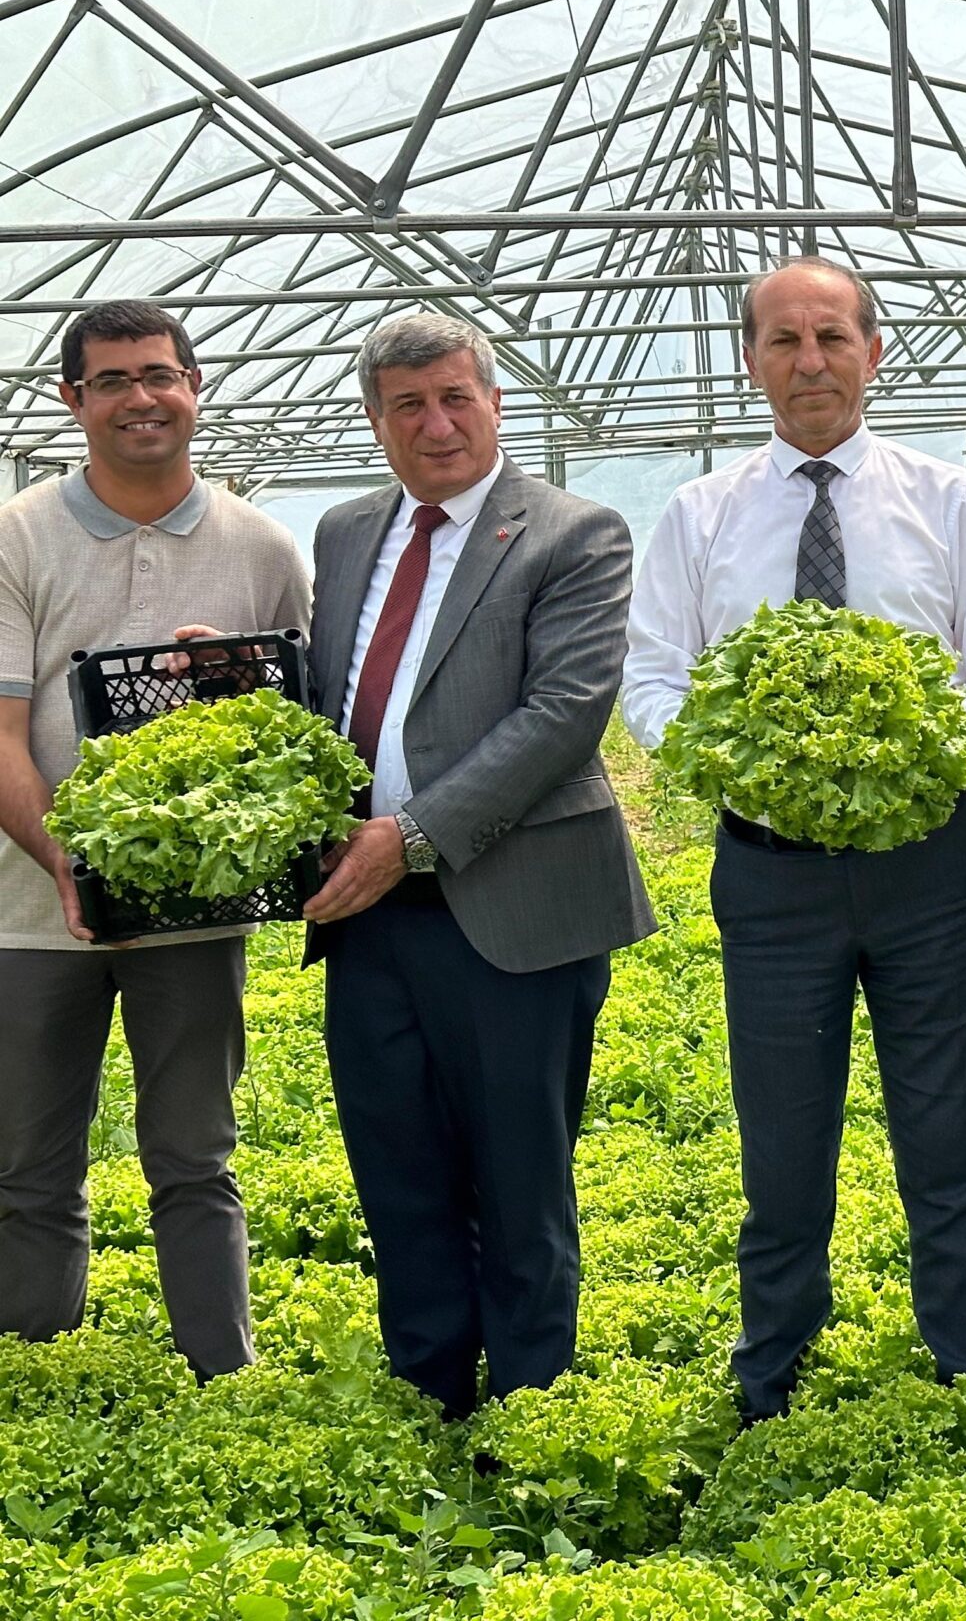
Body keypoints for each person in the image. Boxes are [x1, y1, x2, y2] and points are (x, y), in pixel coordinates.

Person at [625, 256, 966, 1417]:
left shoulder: (948, 497)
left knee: (947, 1131)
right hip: (771, 876)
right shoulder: (702, 512)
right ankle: (772, 1371)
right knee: (783, 1140)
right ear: (752, 361)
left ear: (872, 350)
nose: (810, 362)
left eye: (832, 338)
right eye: (784, 342)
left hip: (927, 861)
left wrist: (923, 748)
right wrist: (726, 753)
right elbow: (651, 678)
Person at [302, 311, 655, 1421]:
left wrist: (407, 837)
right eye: (408, 405)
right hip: (367, 917)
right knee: (397, 1174)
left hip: (511, 906)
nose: (436, 423)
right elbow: (325, 700)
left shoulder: (571, 532)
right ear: (377, 420)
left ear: (496, 402)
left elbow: (561, 716)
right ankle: (430, 1401)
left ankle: (532, 1414)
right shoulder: (346, 532)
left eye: (456, 397)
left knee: (519, 1183)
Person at [0, 300, 308, 1378]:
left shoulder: (262, 546)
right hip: (31, 911)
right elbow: (1, 732)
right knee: (29, 1161)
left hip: (196, 911)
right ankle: (36, 1372)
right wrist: (65, 865)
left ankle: (221, 1376)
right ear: (71, 400)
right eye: (114, 380)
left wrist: (241, 676)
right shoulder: (16, 534)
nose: (141, 398)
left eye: (160, 375)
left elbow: (301, 726)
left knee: (194, 1156)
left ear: (193, 387)